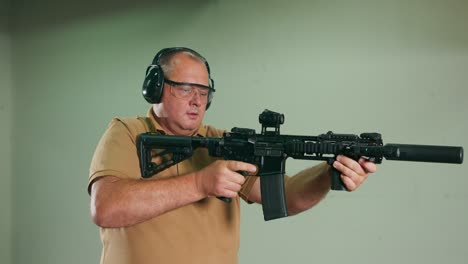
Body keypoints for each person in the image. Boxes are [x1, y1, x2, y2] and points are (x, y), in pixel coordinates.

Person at [88, 47, 377, 264]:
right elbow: (106, 207)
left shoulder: (222, 141)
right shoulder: (127, 132)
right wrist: (201, 183)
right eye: (186, 88)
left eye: (204, 91)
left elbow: (287, 196)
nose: (197, 100)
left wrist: (330, 173)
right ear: (156, 87)